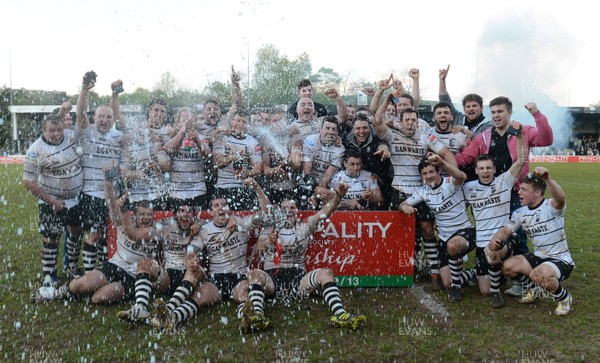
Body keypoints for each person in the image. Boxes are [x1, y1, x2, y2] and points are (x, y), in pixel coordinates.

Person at [455, 97, 554, 297]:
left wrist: (536, 114)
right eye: (493, 112)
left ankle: (520, 277)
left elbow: (546, 139)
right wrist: (441, 161)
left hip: (516, 193)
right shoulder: (483, 137)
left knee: (518, 236)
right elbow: (465, 158)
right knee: (493, 232)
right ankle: (495, 271)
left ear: (509, 113)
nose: (496, 116)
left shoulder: (523, 131)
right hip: (492, 194)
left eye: (500, 112)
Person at [246, 181, 367, 331]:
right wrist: (267, 241)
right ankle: (257, 315)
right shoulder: (270, 227)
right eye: (284, 208)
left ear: (297, 211)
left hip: (299, 280)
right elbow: (258, 248)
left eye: (292, 208)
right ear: (279, 211)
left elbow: (325, 212)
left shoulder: (304, 227)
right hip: (272, 279)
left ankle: (340, 313)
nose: (288, 211)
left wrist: (338, 196)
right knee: (254, 274)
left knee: (326, 273)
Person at [31, 168, 160, 305]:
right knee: (80, 284)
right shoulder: (125, 220)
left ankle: (82, 295)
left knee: (99, 298)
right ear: (136, 214)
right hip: (114, 266)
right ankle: (56, 293)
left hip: (134, 276)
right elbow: (111, 204)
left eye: (148, 215)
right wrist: (108, 183)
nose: (145, 218)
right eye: (142, 215)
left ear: (153, 216)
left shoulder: (156, 230)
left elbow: (134, 234)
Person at [373, 94, 457, 290]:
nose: (410, 123)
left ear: (418, 122)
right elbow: (376, 120)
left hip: (422, 191)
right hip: (399, 190)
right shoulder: (392, 135)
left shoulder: (426, 136)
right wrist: (386, 98)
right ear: (400, 122)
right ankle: (402, 268)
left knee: (427, 230)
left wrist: (455, 175)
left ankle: (435, 271)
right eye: (407, 120)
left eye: (413, 120)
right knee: (400, 233)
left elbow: (446, 153)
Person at [490, 167, 575, 315]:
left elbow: (561, 199)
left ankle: (565, 298)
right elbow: (506, 231)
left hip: (560, 260)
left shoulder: (551, 207)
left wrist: (548, 179)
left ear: (537, 193)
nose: (519, 192)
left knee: (539, 274)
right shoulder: (520, 213)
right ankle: (534, 289)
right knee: (507, 267)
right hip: (539, 256)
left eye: (524, 190)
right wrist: (495, 241)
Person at [117, 203, 219, 323]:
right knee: (144, 263)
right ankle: (141, 307)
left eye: (189, 211)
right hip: (168, 276)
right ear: (175, 214)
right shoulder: (166, 225)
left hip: (190, 276)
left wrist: (198, 224)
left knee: (195, 269)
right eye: (181, 211)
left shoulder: (202, 226)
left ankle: (168, 310)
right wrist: (122, 211)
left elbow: (213, 223)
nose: (185, 214)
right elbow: (141, 234)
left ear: (194, 215)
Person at [462, 123, 527, 308]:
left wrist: (520, 136)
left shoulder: (504, 181)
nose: (485, 171)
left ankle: (497, 293)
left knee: (493, 251)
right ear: (476, 171)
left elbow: (521, 161)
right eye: (481, 168)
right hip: (481, 241)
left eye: (488, 168)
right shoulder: (468, 188)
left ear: (494, 169)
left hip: (504, 238)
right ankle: (482, 274)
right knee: (483, 290)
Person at [400, 153, 476, 302]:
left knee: (453, 246)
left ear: (438, 171)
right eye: (425, 173)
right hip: (444, 237)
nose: (428, 176)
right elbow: (403, 204)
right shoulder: (423, 191)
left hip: (465, 232)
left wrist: (442, 162)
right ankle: (477, 272)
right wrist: (405, 208)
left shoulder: (450, 182)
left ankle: (457, 287)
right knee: (446, 283)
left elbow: (462, 177)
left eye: (431, 172)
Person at [23, 113, 84, 288]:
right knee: (51, 238)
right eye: (52, 130)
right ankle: (49, 276)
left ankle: (72, 267)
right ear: (44, 130)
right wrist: (52, 202)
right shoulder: (35, 150)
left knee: (76, 232)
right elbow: (29, 182)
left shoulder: (71, 137)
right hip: (51, 201)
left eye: (59, 129)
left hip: (74, 200)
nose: (57, 133)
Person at [75, 73, 125, 275]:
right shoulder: (88, 133)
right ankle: (89, 275)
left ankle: (105, 272)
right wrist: (85, 91)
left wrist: (115, 95)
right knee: (93, 235)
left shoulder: (119, 137)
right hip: (93, 194)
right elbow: (79, 114)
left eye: (108, 117)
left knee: (109, 235)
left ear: (113, 119)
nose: (104, 120)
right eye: (100, 116)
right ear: (94, 118)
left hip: (114, 196)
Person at [212, 109, 263, 210]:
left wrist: (247, 172)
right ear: (232, 121)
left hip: (244, 187)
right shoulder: (222, 138)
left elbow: (258, 170)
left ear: (248, 124)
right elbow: (217, 163)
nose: (240, 124)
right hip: (223, 187)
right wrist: (232, 157)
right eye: (238, 120)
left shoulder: (253, 143)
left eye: (244, 122)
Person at [164, 107, 211, 211]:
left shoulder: (202, 138)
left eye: (191, 121)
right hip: (176, 192)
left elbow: (208, 156)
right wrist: (182, 131)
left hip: (198, 190)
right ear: (177, 123)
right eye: (184, 120)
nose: (188, 123)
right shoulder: (170, 137)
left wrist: (197, 140)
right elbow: (170, 149)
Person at [342, 113, 391, 207]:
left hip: (376, 181)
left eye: (365, 128)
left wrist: (385, 149)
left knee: (379, 204)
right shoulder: (346, 140)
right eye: (358, 128)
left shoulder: (375, 139)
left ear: (370, 128)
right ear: (353, 130)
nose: (361, 131)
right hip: (352, 179)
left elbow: (382, 144)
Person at [300, 116, 346, 209]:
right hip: (307, 184)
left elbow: (328, 175)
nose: (330, 131)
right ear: (320, 130)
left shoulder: (340, 150)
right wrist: (315, 189)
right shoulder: (311, 141)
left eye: (333, 129)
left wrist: (319, 191)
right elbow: (306, 171)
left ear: (337, 132)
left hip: (325, 187)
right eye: (327, 128)